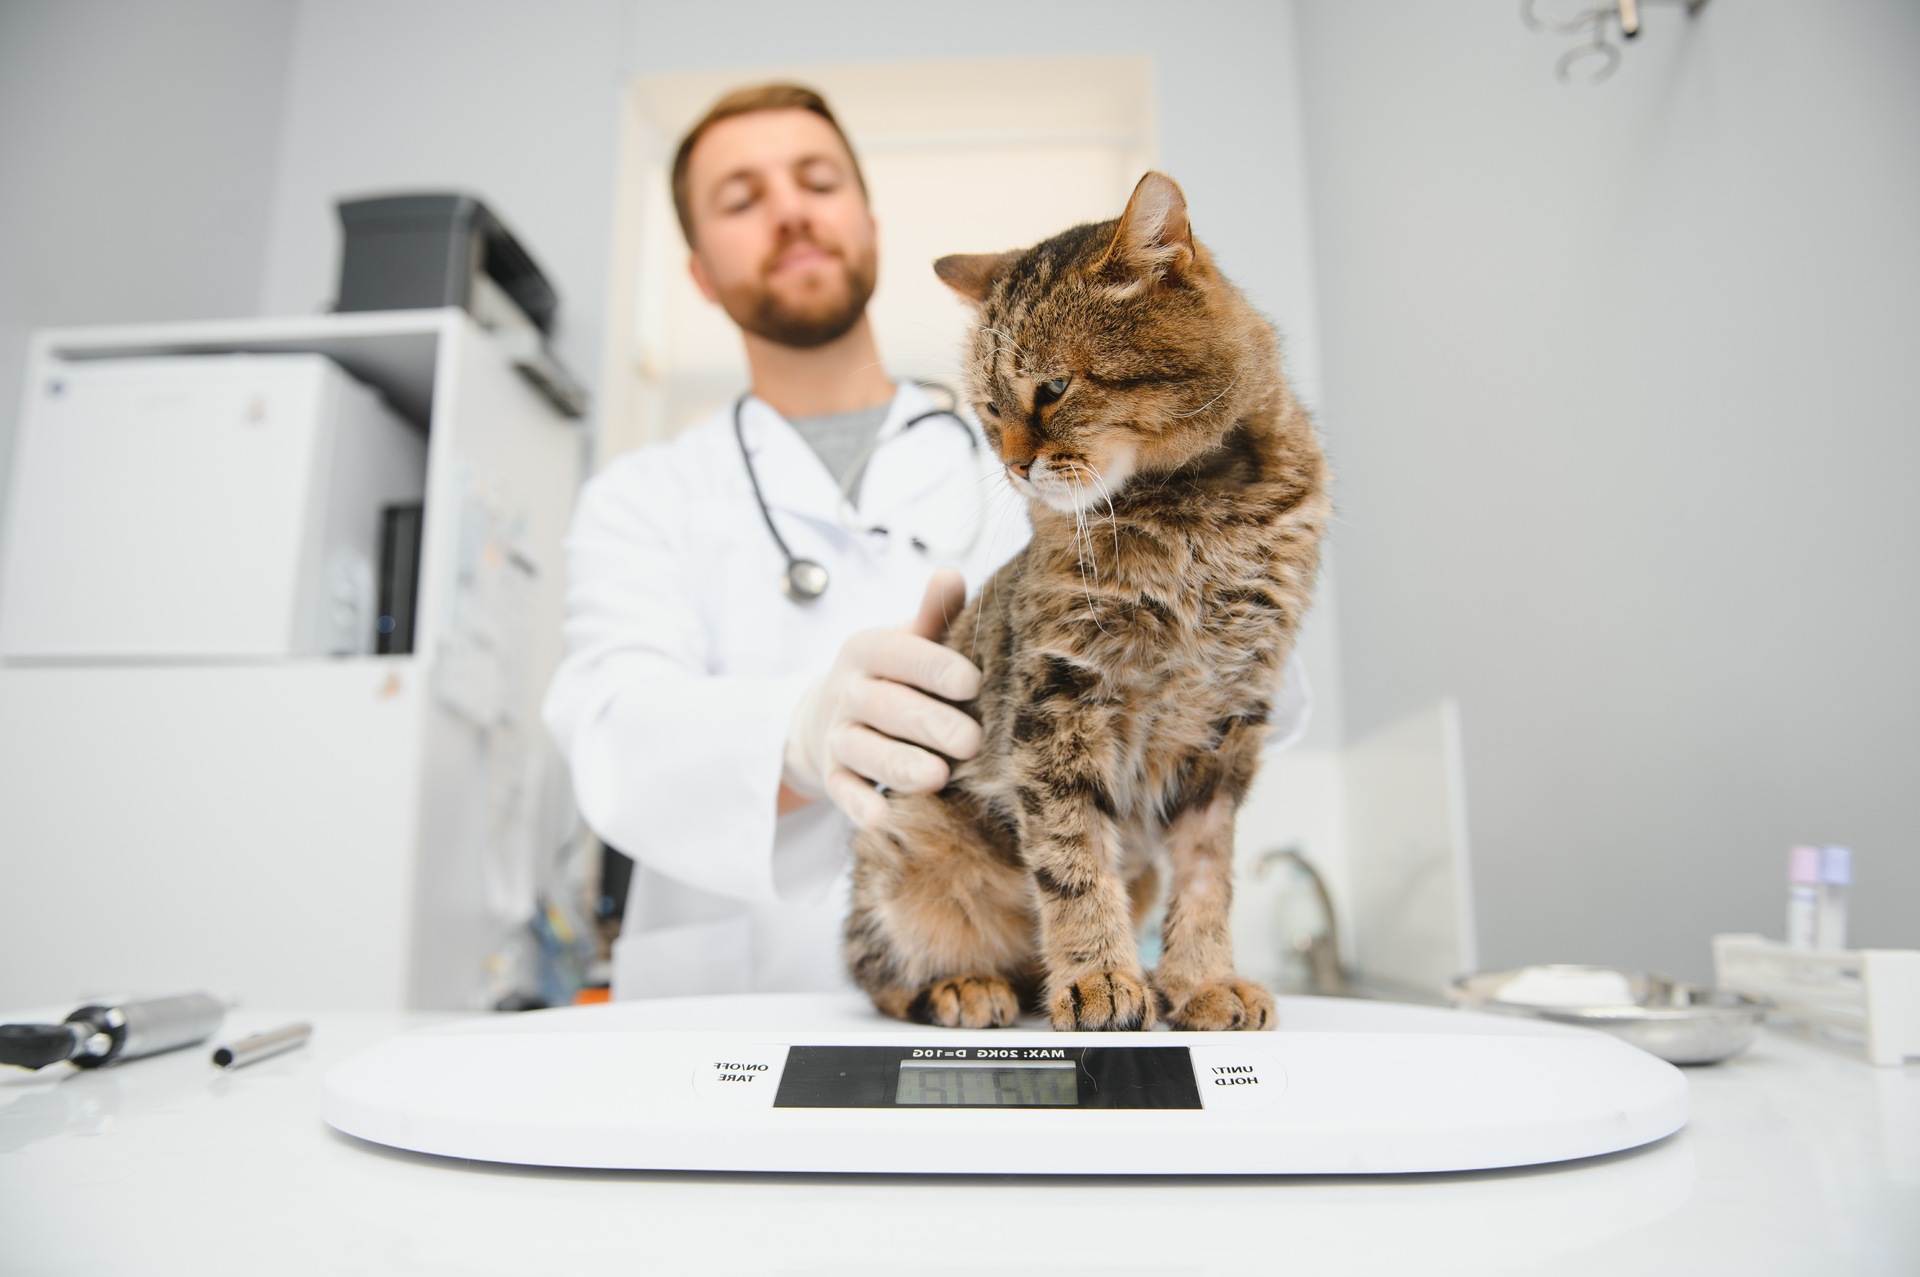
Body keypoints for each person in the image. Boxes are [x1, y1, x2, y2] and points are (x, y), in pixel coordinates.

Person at [542, 83, 1309, 1000]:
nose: (789, 211)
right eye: (742, 199)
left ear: (865, 218)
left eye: (815, 180)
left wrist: (1217, 505)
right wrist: (795, 733)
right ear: (700, 272)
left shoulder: (1064, 458)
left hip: (1028, 983)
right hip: (725, 1006)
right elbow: (608, 734)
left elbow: (1248, 708)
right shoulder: (642, 493)